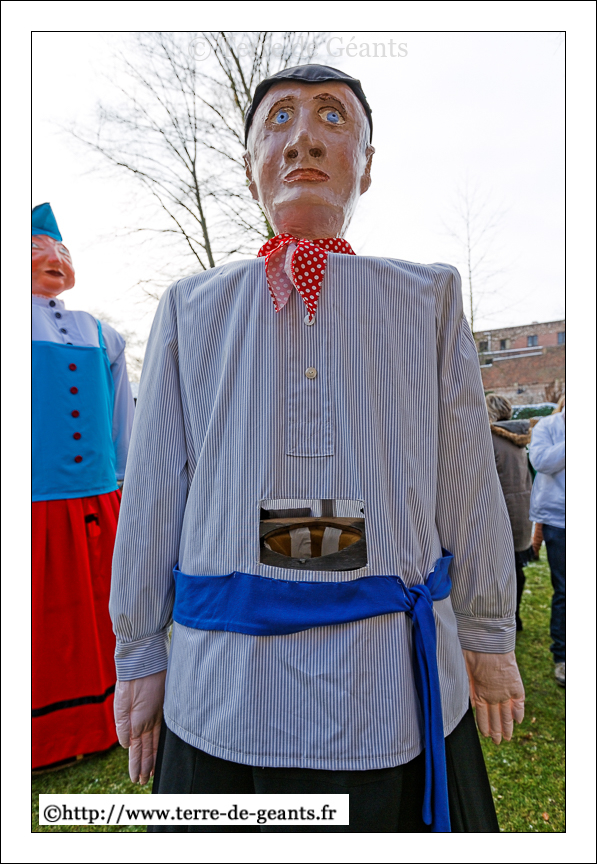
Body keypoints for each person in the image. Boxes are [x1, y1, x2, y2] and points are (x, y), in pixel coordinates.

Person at [110, 65, 524, 833]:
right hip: (230, 681)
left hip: (384, 682)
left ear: (366, 163)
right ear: (248, 168)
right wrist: (138, 648)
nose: (303, 137)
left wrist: (487, 631)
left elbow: (466, 475)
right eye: (279, 120)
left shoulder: (425, 297)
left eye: (332, 117)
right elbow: (155, 485)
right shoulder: (192, 307)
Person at [32, 203, 135, 770]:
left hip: (99, 497)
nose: (54, 258)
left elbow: (121, 415)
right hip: (34, 504)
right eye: (35, 249)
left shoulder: (101, 333)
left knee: (105, 606)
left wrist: (123, 477)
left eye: (62, 251)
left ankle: (116, 712)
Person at [485, 395, 534, 631]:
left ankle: (509, 618)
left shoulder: (491, 438)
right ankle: (515, 617)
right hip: (521, 509)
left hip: (503, 510)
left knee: (505, 570)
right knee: (515, 568)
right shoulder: (517, 437)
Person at [529, 398, 565, 687]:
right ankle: (563, 656)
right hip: (559, 519)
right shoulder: (548, 426)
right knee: (565, 589)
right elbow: (540, 461)